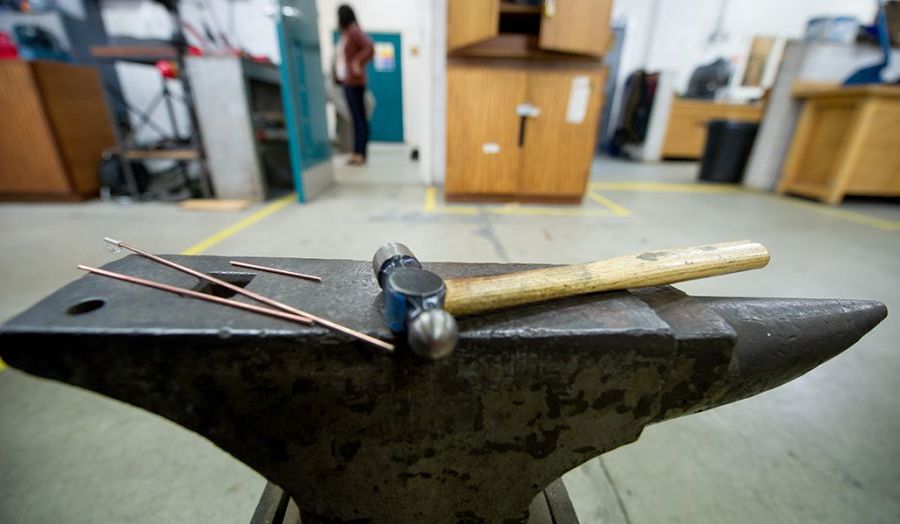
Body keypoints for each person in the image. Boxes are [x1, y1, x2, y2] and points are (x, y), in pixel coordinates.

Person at [335, 5, 374, 166]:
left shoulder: (353, 31)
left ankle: (360, 153)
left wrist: (357, 63)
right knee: (356, 119)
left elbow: (369, 46)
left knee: (359, 119)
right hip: (348, 82)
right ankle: (357, 152)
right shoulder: (347, 33)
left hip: (354, 82)